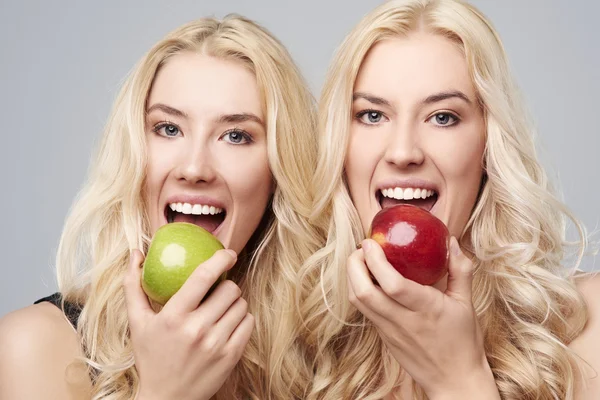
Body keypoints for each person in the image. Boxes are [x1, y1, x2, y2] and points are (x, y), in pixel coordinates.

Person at [0, 14, 318, 400]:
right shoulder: (35, 346)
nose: (194, 168)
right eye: (169, 128)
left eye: (235, 136)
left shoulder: (322, 355)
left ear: (279, 170)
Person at [299, 0, 600, 399]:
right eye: (372, 115)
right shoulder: (294, 345)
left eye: (443, 117)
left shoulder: (586, 325)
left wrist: (459, 379)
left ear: (489, 144)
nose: (403, 151)